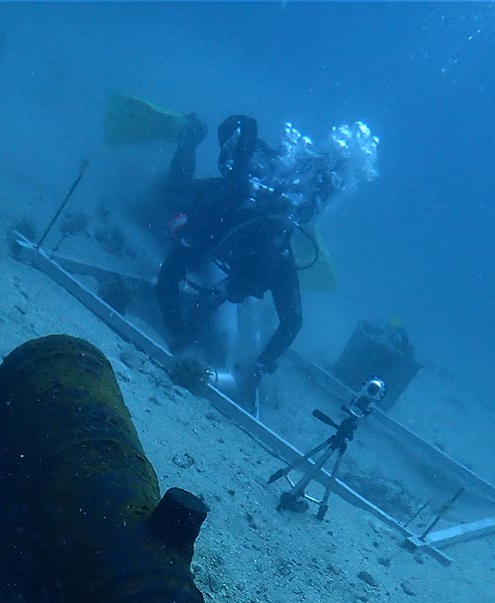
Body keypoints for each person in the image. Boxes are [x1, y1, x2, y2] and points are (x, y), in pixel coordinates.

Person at [156, 113, 379, 404]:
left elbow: (292, 321)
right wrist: (179, 338)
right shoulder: (216, 221)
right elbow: (166, 279)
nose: (249, 294)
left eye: (256, 291)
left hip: (243, 236)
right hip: (228, 205)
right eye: (251, 288)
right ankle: (190, 136)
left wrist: (260, 366)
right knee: (174, 194)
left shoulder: (280, 261)